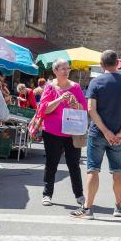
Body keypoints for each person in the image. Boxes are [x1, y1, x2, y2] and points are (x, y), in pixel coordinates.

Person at [72, 50, 121, 219]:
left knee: (93, 170)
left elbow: (91, 109)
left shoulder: (96, 83)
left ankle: (88, 208)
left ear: (101, 65)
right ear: (118, 64)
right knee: (118, 170)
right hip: (118, 134)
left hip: (98, 133)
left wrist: (105, 131)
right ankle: (119, 206)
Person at [37, 59, 87, 207]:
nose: (66, 71)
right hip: (52, 132)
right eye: (62, 69)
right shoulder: (50, 88)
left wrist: (75, 104)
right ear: (55, 71)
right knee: (51, 164)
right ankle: (47, 194)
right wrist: (59, 99)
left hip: (72, 132)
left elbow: (83, 109)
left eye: (68, 69)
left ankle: (79, 195)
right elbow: (44, 110)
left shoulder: (76, 87)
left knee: (74, 164)